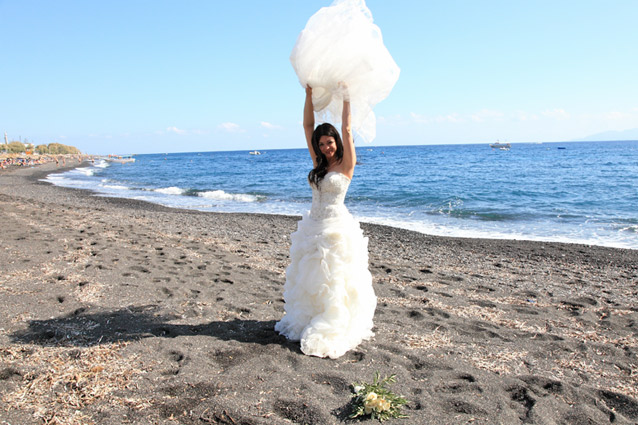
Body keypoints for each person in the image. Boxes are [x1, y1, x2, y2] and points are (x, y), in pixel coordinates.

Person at [274, 85, 377, 359]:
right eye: (321, 144)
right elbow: (307, 125)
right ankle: (312, 318)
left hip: (335, 228)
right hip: (313, 227)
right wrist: (308, 94)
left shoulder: (346, 164)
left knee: (334, 279)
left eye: (328, 143)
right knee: (312, 277)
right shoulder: (318, 163)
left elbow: (346, 128)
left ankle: (334, 322)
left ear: (336, 143)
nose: (325, 148)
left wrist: (346, 96)